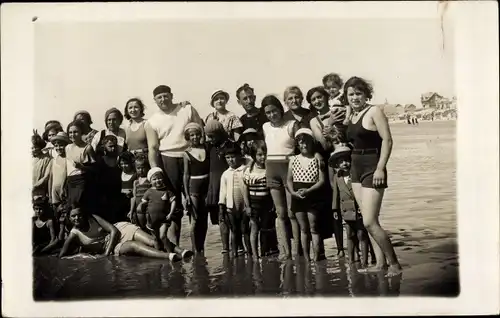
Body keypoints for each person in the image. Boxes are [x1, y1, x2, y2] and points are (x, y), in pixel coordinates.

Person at [344, 76, 402, 276]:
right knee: (368, 220)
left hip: (372, 166)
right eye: (350, 94)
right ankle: (380, 264)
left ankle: (394, 264)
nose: (354, 97)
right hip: (355, 167)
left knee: (369, 221)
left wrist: (380, 168)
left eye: (358, 93)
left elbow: (388, 140)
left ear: (366, 94)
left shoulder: (374, 111)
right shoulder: (351, 115)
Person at [145, 84, 204, 245]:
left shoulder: (187, 109)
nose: (163, 99)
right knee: (174, 205)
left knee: (195, 201)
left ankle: (198, 249)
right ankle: (174, 247)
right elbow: (153, 148)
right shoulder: (152, 121)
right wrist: (155, 170)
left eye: (166, 95)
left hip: (191, 157)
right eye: (159, 97)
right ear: (155, 100)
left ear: (171, 95)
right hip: (168, 160)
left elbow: (201, 131)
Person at [59, 206, 184, 261]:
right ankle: (169, 256)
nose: (77, 218)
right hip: (113, 247)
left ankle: (181, 251)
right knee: (134, 246)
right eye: (73, 216)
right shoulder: (74, 234)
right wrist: (80, 256)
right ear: (69, 218)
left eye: (79, 215)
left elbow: (113, 230)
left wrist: (105, 254)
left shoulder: (93, 217)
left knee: (152, 240)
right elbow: (62, 256)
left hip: (120, 230)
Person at [261, 94, 300, 260]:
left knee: (293, 213)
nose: (272, 115)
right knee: (280, 213)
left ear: (280, 109)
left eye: (274, 111)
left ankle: (298, 250)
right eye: (268, 112)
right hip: (271, 170)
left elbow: (300, 148)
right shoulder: (265, 127)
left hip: (289, 170)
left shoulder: (291, 125)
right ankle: (286, 251)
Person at [307, 86, 342, 258]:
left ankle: (354, 248)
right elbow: (325, 145)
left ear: (326, 97)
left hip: (345, 160)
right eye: (313, 100)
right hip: (329, 163)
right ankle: (340, 248)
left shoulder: (339, 111)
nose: (317, 101)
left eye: (319, 97)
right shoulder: (314, 121)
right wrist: (330, 123)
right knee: (334, 204)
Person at [330, 145, 373, 266]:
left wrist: (363, 206)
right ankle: (351, 259)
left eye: (347, 160)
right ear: (337, 165)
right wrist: (335, 209)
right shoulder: (337, 177)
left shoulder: (356, 175)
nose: (345, 163)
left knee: (361, 235)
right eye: (341, 162)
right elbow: (336, 195)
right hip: (345, 211)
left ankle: (364, 261)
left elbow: (363, 192)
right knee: (349, 235)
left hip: (358, 209)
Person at [286, 128, 325, 262]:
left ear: (311, 143)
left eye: (306, 142)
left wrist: (308, 191)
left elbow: (322, 180)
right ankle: (306, 258)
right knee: (303, 228)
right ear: (297, 144)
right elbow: (289, 180)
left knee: (313, 227)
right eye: (301, 143)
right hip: (297, 195)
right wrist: (293, 193)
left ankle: (316, 257)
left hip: (313, 194)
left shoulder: (317, 158)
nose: (304, 145)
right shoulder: (293, 159)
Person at [136, 167, 192, 259]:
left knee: (163, 236)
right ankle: (160, 255)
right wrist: (141, 207)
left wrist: (170, 213)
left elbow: (173, 202)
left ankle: (170, 253)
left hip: (164, 219)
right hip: (151, 220)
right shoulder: (149, 192)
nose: (157, 180)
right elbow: (143, 203)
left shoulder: (167, 191)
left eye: (159, 178)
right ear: (150, 181)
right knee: (155, 239)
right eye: (154, 179)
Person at [242, 140, 279, 259]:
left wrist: (274, 203)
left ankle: (265, 251)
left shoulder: (269, 169)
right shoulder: (249, 170)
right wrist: (247, 206)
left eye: (265, 154)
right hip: (253, 203)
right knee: (254, 228)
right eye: (259, 155)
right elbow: (244, 188)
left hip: (267, 202)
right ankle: (255, 255)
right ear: (254, 155)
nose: (263, 157)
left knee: (266, 228)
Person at [182, 122, 210, 255]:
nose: (195, 137)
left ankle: (202, 246)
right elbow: (186, 175)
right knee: (194, 219)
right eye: (192, 135)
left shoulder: (206, 148)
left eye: (197, 134)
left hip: (206, 187)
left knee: (204, 219)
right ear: (188, 137)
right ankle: (194, 249)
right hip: (194, 188)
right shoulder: (186, 153)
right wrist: (186, 195)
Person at [204, 120, 231, 253]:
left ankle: (238, 246)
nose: (210, 139)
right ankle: (225, 247)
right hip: (214, 186)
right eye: (208, 136)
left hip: (227, 185)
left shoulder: (229, 146)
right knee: (220, 217)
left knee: (230, 216)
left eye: (213, 136)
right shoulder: (210, 147)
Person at [219, 142, 249, 258]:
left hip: (244, 205)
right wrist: (222, 208)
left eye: (233, 157)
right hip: (230, 206)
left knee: (245, 229)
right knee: (234, 229)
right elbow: (223, 192)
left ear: (239, 156)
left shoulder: (245, 170)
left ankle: (249, 252)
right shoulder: (225, 174)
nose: (230, 160)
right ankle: (234, 252)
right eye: (228, 158)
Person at [94, 135, 124, 223]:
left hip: (118, 192)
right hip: (105, 192)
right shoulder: (100, 160)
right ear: (104, 147)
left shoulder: (119, 159)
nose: (113, 148)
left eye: (115, 146)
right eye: (110, 146)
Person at [48, 132, 70, 210]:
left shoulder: (69, 159)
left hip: (65, 191)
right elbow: (51, 178)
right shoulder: (53, 160)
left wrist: (63, 188)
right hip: (55, 193)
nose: (58, 148)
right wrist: (50, 195)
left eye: (61, 145)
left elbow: (67, 175)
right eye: (56, 146)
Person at [128, 155, 151, 228]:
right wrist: (131, 211)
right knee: (141, 227)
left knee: (150, 227)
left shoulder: (149, 180)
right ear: (135, 168)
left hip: (148, 208)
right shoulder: (136, 182)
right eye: (138, 168)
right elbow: (134, 197)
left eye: (143, 168)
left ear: (147, 168)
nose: (141, 170)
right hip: (138, 210)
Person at [32, 130, 53, 198]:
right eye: (32, 147)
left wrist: (33, 186)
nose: (34, 149)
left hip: (40, 193)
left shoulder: (47, 159)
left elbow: (46, 177)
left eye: (36, 147)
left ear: (40, 147)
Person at [118, 151, 137, 216]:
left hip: (132, 205)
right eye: (121, 163)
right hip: (121, 205)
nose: (123, 166)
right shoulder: (119, 173)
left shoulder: (135, 175)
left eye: (126, 163)